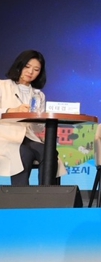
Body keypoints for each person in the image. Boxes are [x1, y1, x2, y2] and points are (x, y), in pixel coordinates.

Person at [0, 50, 65, 185]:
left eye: (36, 70)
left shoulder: (39, 95)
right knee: (23, 153)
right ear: (19, 65)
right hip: (5, 137)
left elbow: (37, 127)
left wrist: (42, 120)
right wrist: (11, 111)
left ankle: (46, 194)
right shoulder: (2, 86)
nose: (30, 72)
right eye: (27, 67)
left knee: (49, 153)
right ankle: (20, 196)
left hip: (29, 138)